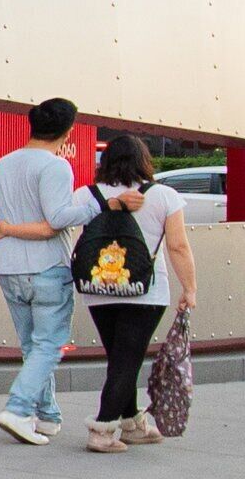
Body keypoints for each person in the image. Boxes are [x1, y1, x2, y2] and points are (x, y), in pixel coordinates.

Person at [0, 97, 139, 447]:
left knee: (32, 346)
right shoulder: (55, 167)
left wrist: (10, 229)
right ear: (68, 132)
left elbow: (1, 223)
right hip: (45, 267)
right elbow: (56, 220)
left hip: (7, 267)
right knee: (50, 344)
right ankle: (19, 409)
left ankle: (49, 416)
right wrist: (99, 205)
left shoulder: (2, 165)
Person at [71, 135, 196, 451]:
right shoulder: (163, 195)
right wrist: (190, 288)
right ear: (144, 160)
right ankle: (102, 430)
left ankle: (133, 424)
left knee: (121, 357)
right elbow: (178, 246)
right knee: (127, 360)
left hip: (98, 286)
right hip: (145, 292)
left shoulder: (87, 195)